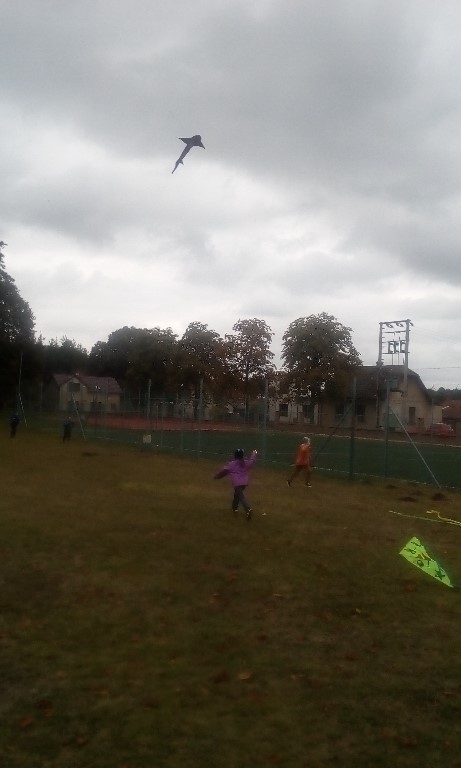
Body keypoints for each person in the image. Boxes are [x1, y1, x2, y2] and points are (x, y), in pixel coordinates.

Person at [214, 448, 258, 520]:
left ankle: (248, 509)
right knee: (236, 495)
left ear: (235, 455)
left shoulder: (231, 464)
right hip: (244, 483)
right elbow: (252, 460)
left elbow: (223, 472)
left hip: (237, 484)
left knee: (241, 497)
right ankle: (234, 508)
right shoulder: (246, 463)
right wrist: (254, 453)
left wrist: (217, 477)